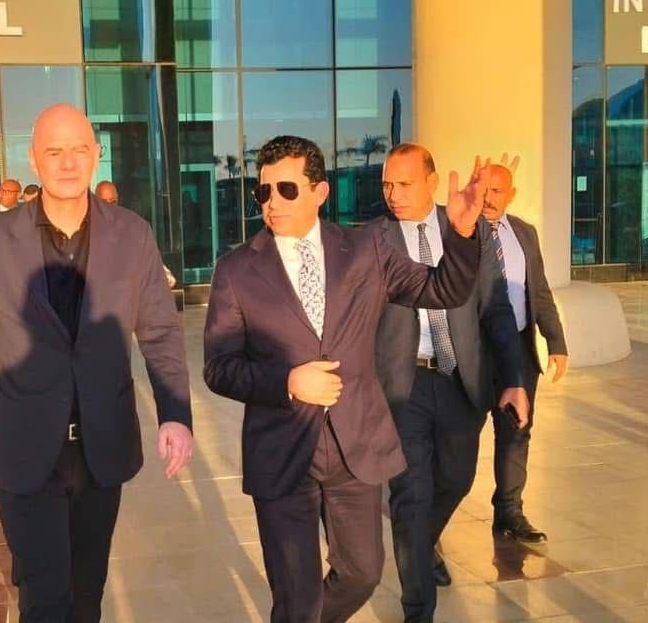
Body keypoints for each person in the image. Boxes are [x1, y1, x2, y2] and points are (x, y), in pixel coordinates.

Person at [202, 135, 486, 623]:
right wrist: (288, 381)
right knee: (296, 592)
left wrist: (461, 233)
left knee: (363, 573)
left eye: (286, 189)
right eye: (263, 191)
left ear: (320, 191)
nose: (272, 202)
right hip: (283, 450)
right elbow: (218, 367)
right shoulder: (236, 271)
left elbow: (440, 289)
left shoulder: (364, 249)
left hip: (355, 445)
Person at [0, 104, 192, 622]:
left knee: (86, 594)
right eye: (54, 151)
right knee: (45, 596)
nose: (69, 162)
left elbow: (160, 330)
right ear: (34, 159)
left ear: (96, 155)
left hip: (101, 445)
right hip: (24, 444)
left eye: (79, 149)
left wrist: (175, 413)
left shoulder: (132, 233)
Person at [369, 144, 529, 622]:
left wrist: (514, 379)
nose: (393, 194)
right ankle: (418, 609)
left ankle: (420, 544)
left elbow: (497, 309)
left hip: (461, 379)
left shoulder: (468, 228)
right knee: (411, 496)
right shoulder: (372, 240)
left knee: (456, 480)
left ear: (432, 182)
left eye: (404, 184)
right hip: (403, 385)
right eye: (387, 184)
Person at [479, 161, 567, 545]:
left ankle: (509, 512)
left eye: (497, 191)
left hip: (517, 352)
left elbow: (540, 292)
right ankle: (431, 517)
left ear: (511, 195)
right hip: (473, 353)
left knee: (516, 433)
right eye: (484, 190)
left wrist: (556, 342)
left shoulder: (524, 233)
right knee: (455, 440)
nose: (488, 198)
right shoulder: (460, 232)